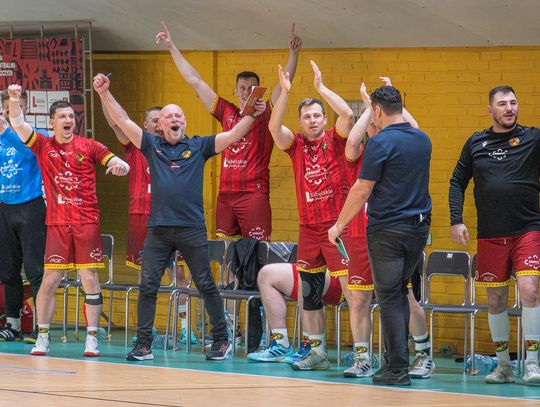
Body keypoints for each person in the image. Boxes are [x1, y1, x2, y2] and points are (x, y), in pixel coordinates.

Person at [93, 72, 266, 361]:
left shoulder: (199, 146)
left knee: (206, 284)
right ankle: (144, 345)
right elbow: (122, 120)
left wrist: (253, 113)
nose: (174, 119)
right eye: (168, 116)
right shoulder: (151, 145)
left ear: (184, 122)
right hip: (158, 230)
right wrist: (103, 93)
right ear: (160, 125)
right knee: (148, 285)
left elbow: (235, 133)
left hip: (191, 229)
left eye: (178, 115)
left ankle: (221, 340)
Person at [7, 84, 130, 357]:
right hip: (58, 224)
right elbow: (17, 122)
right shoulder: (42, 145)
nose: (68, 120)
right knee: (50, 279)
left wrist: (120, 166)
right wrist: (14, 99)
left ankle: (92, 338)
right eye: (62, 117)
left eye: (71, 116)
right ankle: (42, 337)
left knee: (89, 277)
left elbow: (117, 161)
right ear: (52, 122)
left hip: (86, 222)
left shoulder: (89, 145)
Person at [156, 21, 301, 242]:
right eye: (242, 88)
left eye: (251, 88)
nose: (246, 92)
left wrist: (293, 53)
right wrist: (171, 47)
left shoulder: (266, 112)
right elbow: (195, 81)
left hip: (254, 193)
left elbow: (284, 83)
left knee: (257, 249)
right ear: (235, 91)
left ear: (259, 92)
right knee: (223, 251)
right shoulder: (226, 111)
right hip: (225, 195)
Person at [329, 85, 432, 386]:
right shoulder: (422, 139)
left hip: (387, 230)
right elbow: (411, 124)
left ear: (376, 111)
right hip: (418, 229)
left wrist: (339, 225)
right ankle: (401, 362)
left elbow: (363, 188)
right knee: (399, 292)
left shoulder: (380, 143)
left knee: (389, 297)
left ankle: (396, 368)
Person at [449, 85, 540, 385]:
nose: (509, 108)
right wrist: (456, 220)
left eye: (513, 102)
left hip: (528, 229)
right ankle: (504, 366)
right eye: (502, 104)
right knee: (496, 299)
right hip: (490, 234)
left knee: (529, 290)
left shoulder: (533, 138)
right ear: (490, 110)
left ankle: (532, 363)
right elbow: (457, 181)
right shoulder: (476, 143)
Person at [269, 60, 355, 371]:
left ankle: (363, 354)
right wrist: (284, 93)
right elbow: (273, 128)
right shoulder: (296, 145)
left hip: (337, 229)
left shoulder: (336, 137)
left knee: (353, 293)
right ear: (301, 122)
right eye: (307, 116)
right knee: (309, 292)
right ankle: (317, 353)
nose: (313, 120)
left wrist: (321, 88)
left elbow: (348, 115)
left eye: (317, 115)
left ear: (324, 118)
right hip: (308, 228)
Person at [102, 104, 197, 345]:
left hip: (170, 217)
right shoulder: (136, 145)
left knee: (179, 274)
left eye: (160, 120)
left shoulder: (178, 148)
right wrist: (103, 94)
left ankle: (185, 328)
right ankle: (148, 328)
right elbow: (115, 122)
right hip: (141, 216)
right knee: (144, 276)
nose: (157, 124)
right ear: (144, 125)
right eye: (153, 120)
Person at [0, 90, 45, 343]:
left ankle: (41, 325)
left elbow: (29, 153)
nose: (9, 113)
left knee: (35, 270)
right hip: (4, 208)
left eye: (15, 108)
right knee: (8, 270)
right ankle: (13, 324)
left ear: (24, 109)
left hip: (30, 207)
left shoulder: (35, 135)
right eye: (5, 109)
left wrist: (7, 130)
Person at [247, 263, 342, 362]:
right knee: (266, 274)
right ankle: (281, 344)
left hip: (340, 275)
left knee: (307, 277)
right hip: (315, 266)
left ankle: (311, 346)